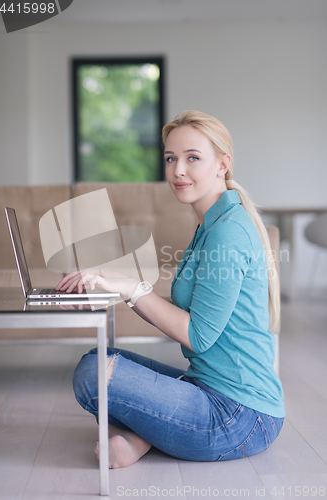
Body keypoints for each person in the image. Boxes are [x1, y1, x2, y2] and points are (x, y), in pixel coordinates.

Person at [56, 110, 285, 469]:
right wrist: (117, 286)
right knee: (99, 359)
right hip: (206, 388)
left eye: (192, 158)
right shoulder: (211, 222)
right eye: (170, 158)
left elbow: (198, 335)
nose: (178, 170)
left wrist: (132, 287)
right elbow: (192, 313)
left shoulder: (228, 230)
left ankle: (144, 435)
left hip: (239, 415)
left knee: (95, 375)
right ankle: (143, 438)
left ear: (222, 164)